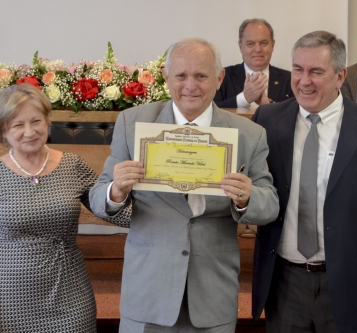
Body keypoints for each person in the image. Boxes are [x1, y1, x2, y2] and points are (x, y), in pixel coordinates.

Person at [89, 37, 279, 333]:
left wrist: (246, 198)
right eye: (181, 76)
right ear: (167, 78)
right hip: (148, 293)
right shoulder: (132, 123)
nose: (191, 85)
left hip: (212, 295)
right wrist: (116, 190)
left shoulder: (249, 134)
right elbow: (99, 196)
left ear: (219, 79)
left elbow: (270, 204)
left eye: (201, 76)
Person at [252, 30, 357, 333]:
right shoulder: (267, 120)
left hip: (350, 286)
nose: (304, 81)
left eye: (316, 71)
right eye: (298, 69)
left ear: (340, 75)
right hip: (284, 285)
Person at [0, 83, 121, 332]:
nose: (29, 131)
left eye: (36, 121)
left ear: (47, 120)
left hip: (69, 291)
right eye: (18, 125)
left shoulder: (73, 165)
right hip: (10, 295)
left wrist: (122, 193)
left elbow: (111, 210)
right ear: (4, 130)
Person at [214, 18, 293, 109]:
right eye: (250, 44)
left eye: (263, 43)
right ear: (240, 46)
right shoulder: (222, 77)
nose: (258, 49)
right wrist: (244, 99)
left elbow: (295, 113)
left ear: (272, 45)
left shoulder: (289, 79)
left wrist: (268, 105)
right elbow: (212, 111)